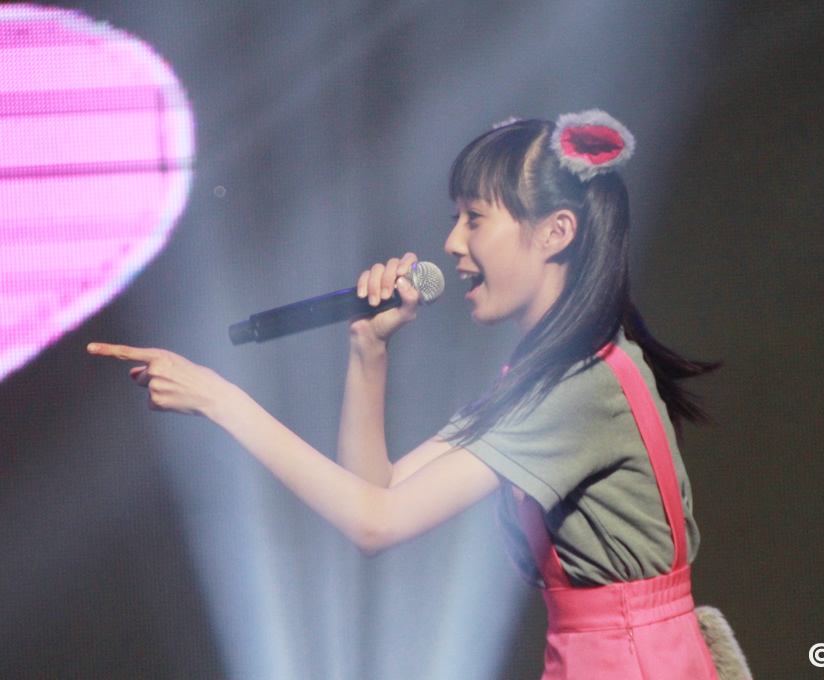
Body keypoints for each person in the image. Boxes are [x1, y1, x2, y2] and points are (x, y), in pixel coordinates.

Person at [89, 110, 721, 679]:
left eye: (475, 218)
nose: (452, 244)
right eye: (455, 219)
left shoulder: (578, 388)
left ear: (556, 232)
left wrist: (220, 400)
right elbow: (377, 491)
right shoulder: (547, 380)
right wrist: (369, 349)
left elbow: (375, 523)